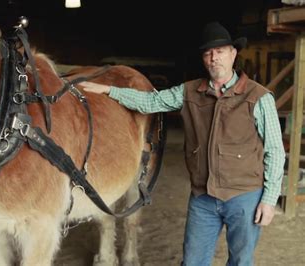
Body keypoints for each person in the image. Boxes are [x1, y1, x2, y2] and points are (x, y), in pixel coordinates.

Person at [80, 21, 285, 266]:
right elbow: (150, 102)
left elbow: (275, 150)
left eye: (220, 51)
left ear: (233, 53)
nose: (213, 58)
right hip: (203, 197)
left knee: (241, 261)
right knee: (193, 261)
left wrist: (269, 199)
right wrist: (109, 91)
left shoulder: (258, 97)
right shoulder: (189, 91)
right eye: (208, 53)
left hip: (244, 197)